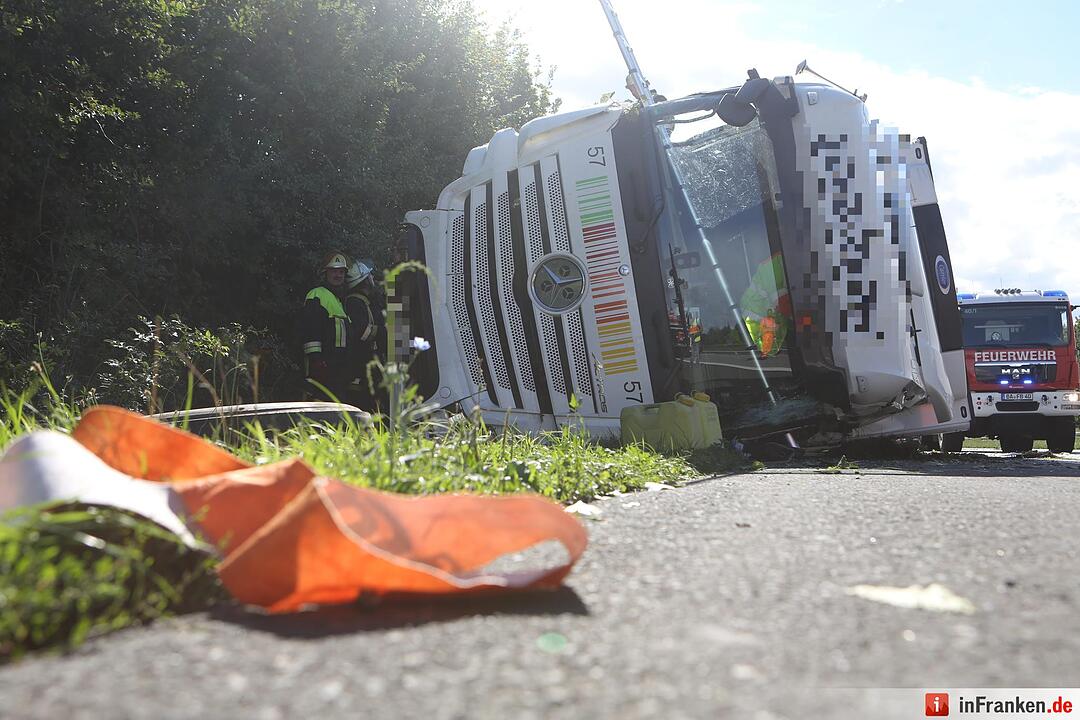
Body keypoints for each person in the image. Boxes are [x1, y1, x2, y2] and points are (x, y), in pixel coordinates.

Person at [300, 250, 352, 401]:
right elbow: (310, 330)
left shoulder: (339, 300)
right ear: (325, 273)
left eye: (341, 271)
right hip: (323, 367)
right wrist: (316, 360)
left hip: (337, 369)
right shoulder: (316, 295)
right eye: (334, 271)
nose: (338, 275)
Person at [343, 258, 386, 412]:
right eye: (370, 276)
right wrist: (385, 331)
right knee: (364, 407)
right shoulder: (355, 303)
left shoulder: (367, 301)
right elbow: (363, 332)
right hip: (360, 366)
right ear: (364, 280)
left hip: (369, 364)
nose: (372, 278)